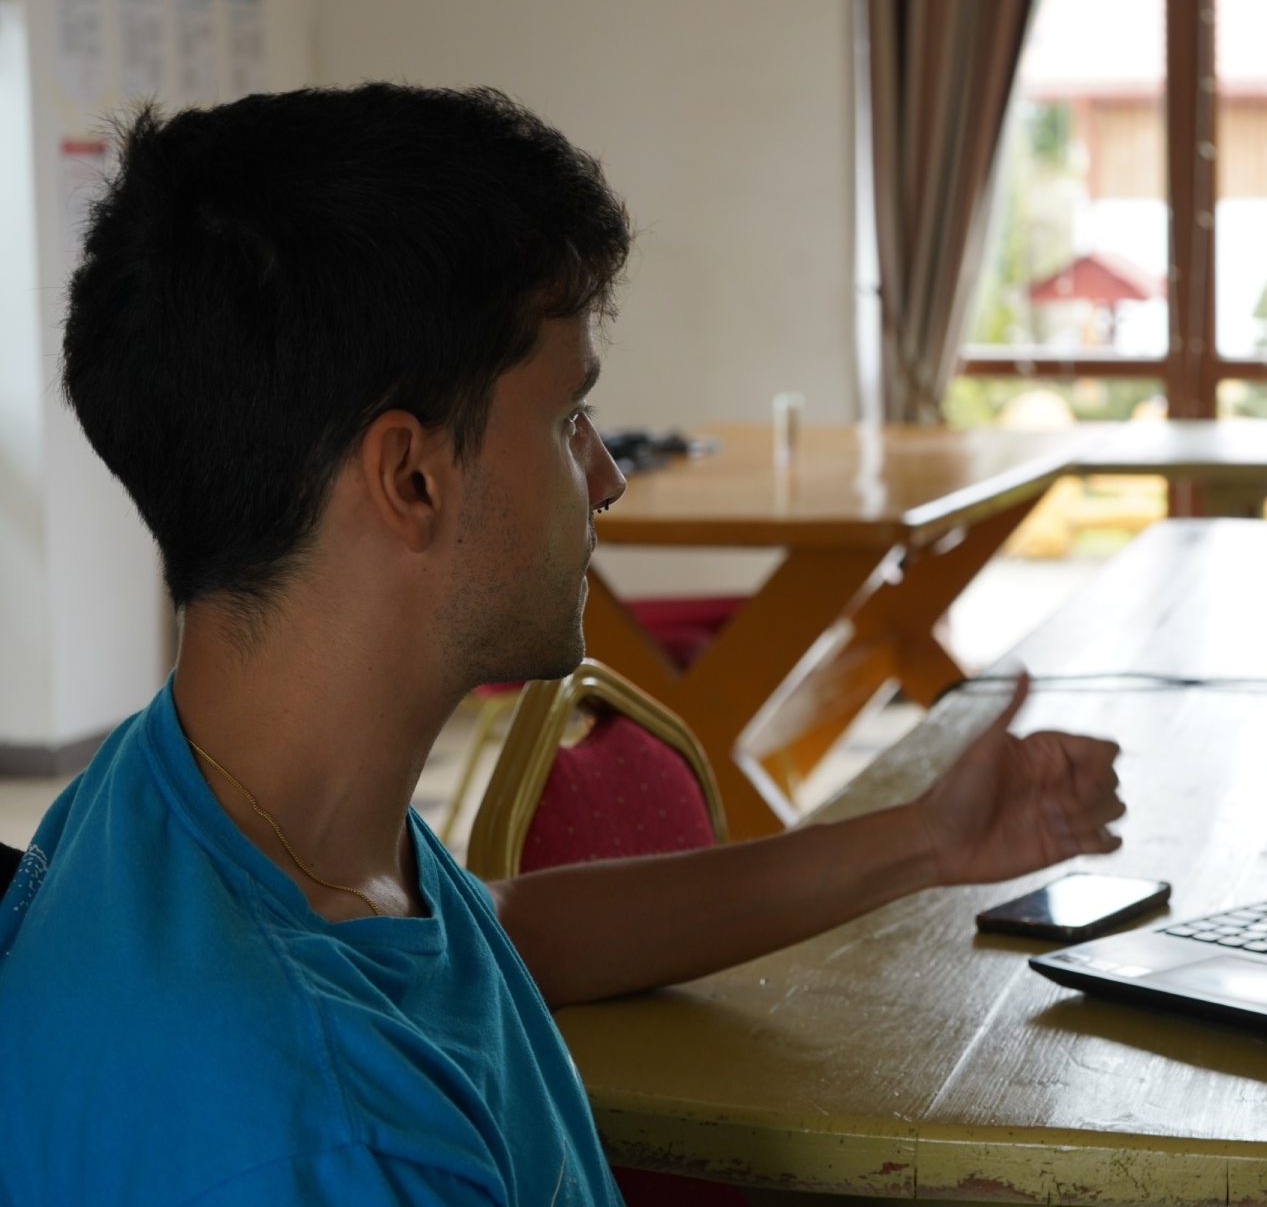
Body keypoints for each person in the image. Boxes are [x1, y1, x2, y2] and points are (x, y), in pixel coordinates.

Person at [0, 87, 1127, 1205]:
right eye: (566, 418)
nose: (607, 475)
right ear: (412, 478)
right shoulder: (334, 1134)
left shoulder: (185, 801)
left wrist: (925, 840)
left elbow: (500, 928)